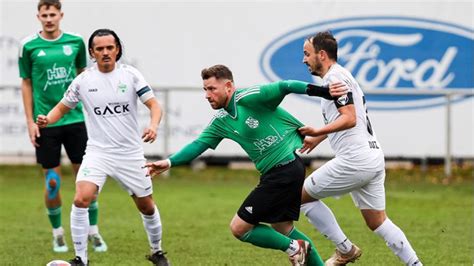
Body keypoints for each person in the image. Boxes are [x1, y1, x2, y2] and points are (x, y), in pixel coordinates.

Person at [146, 64, 346, 266]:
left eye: (212, 89)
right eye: (205, 89)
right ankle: (300, 248)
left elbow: (286, 85)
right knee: (284, 228)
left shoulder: (249, 98)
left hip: (284, 170)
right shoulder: (221, 121)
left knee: (240, 228)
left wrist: (324, 91)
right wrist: (169, 162)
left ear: (229, 86)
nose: (207, 95)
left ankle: (295, 248)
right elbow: (198, 144)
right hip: (281, 171)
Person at [36, 28, 169, 266]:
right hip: (98, 153)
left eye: (110, 47)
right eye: (100, 49)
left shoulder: (131, 75)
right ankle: (80, 259)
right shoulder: (84, 81)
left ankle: (157, 251)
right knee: (81, 199)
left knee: (147, 206)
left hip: (129, 154)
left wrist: (154, 125)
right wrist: (48, 119)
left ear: (117, 49)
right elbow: (62, 107)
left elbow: (154, 105)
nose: (105, 52)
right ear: (92, 52)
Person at [299, 31, 422, 266]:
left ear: (321, 55)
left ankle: (345, 249)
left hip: (355, 159)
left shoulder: (334, 79)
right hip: (373, 156)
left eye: (307, 54)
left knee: (301, 197)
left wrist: (317, 131)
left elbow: (350, 118)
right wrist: (320, 138)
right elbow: (349, 118)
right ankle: (415, 264)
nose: (304, 59)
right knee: (378, 221)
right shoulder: (344, 76)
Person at [18, 0, 106, 253]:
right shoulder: (29, 46)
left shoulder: (76, 42)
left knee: (87, 179)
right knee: (53, 182)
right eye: (44, 14)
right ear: (38, 17)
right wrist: (29, 121)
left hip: (76, 120)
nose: (48, 18)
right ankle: (58, 234)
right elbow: (26, 83)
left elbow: (84, 77)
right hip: (46, 123)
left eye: (52, 14)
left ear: (60, 15)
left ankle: (93, 232)